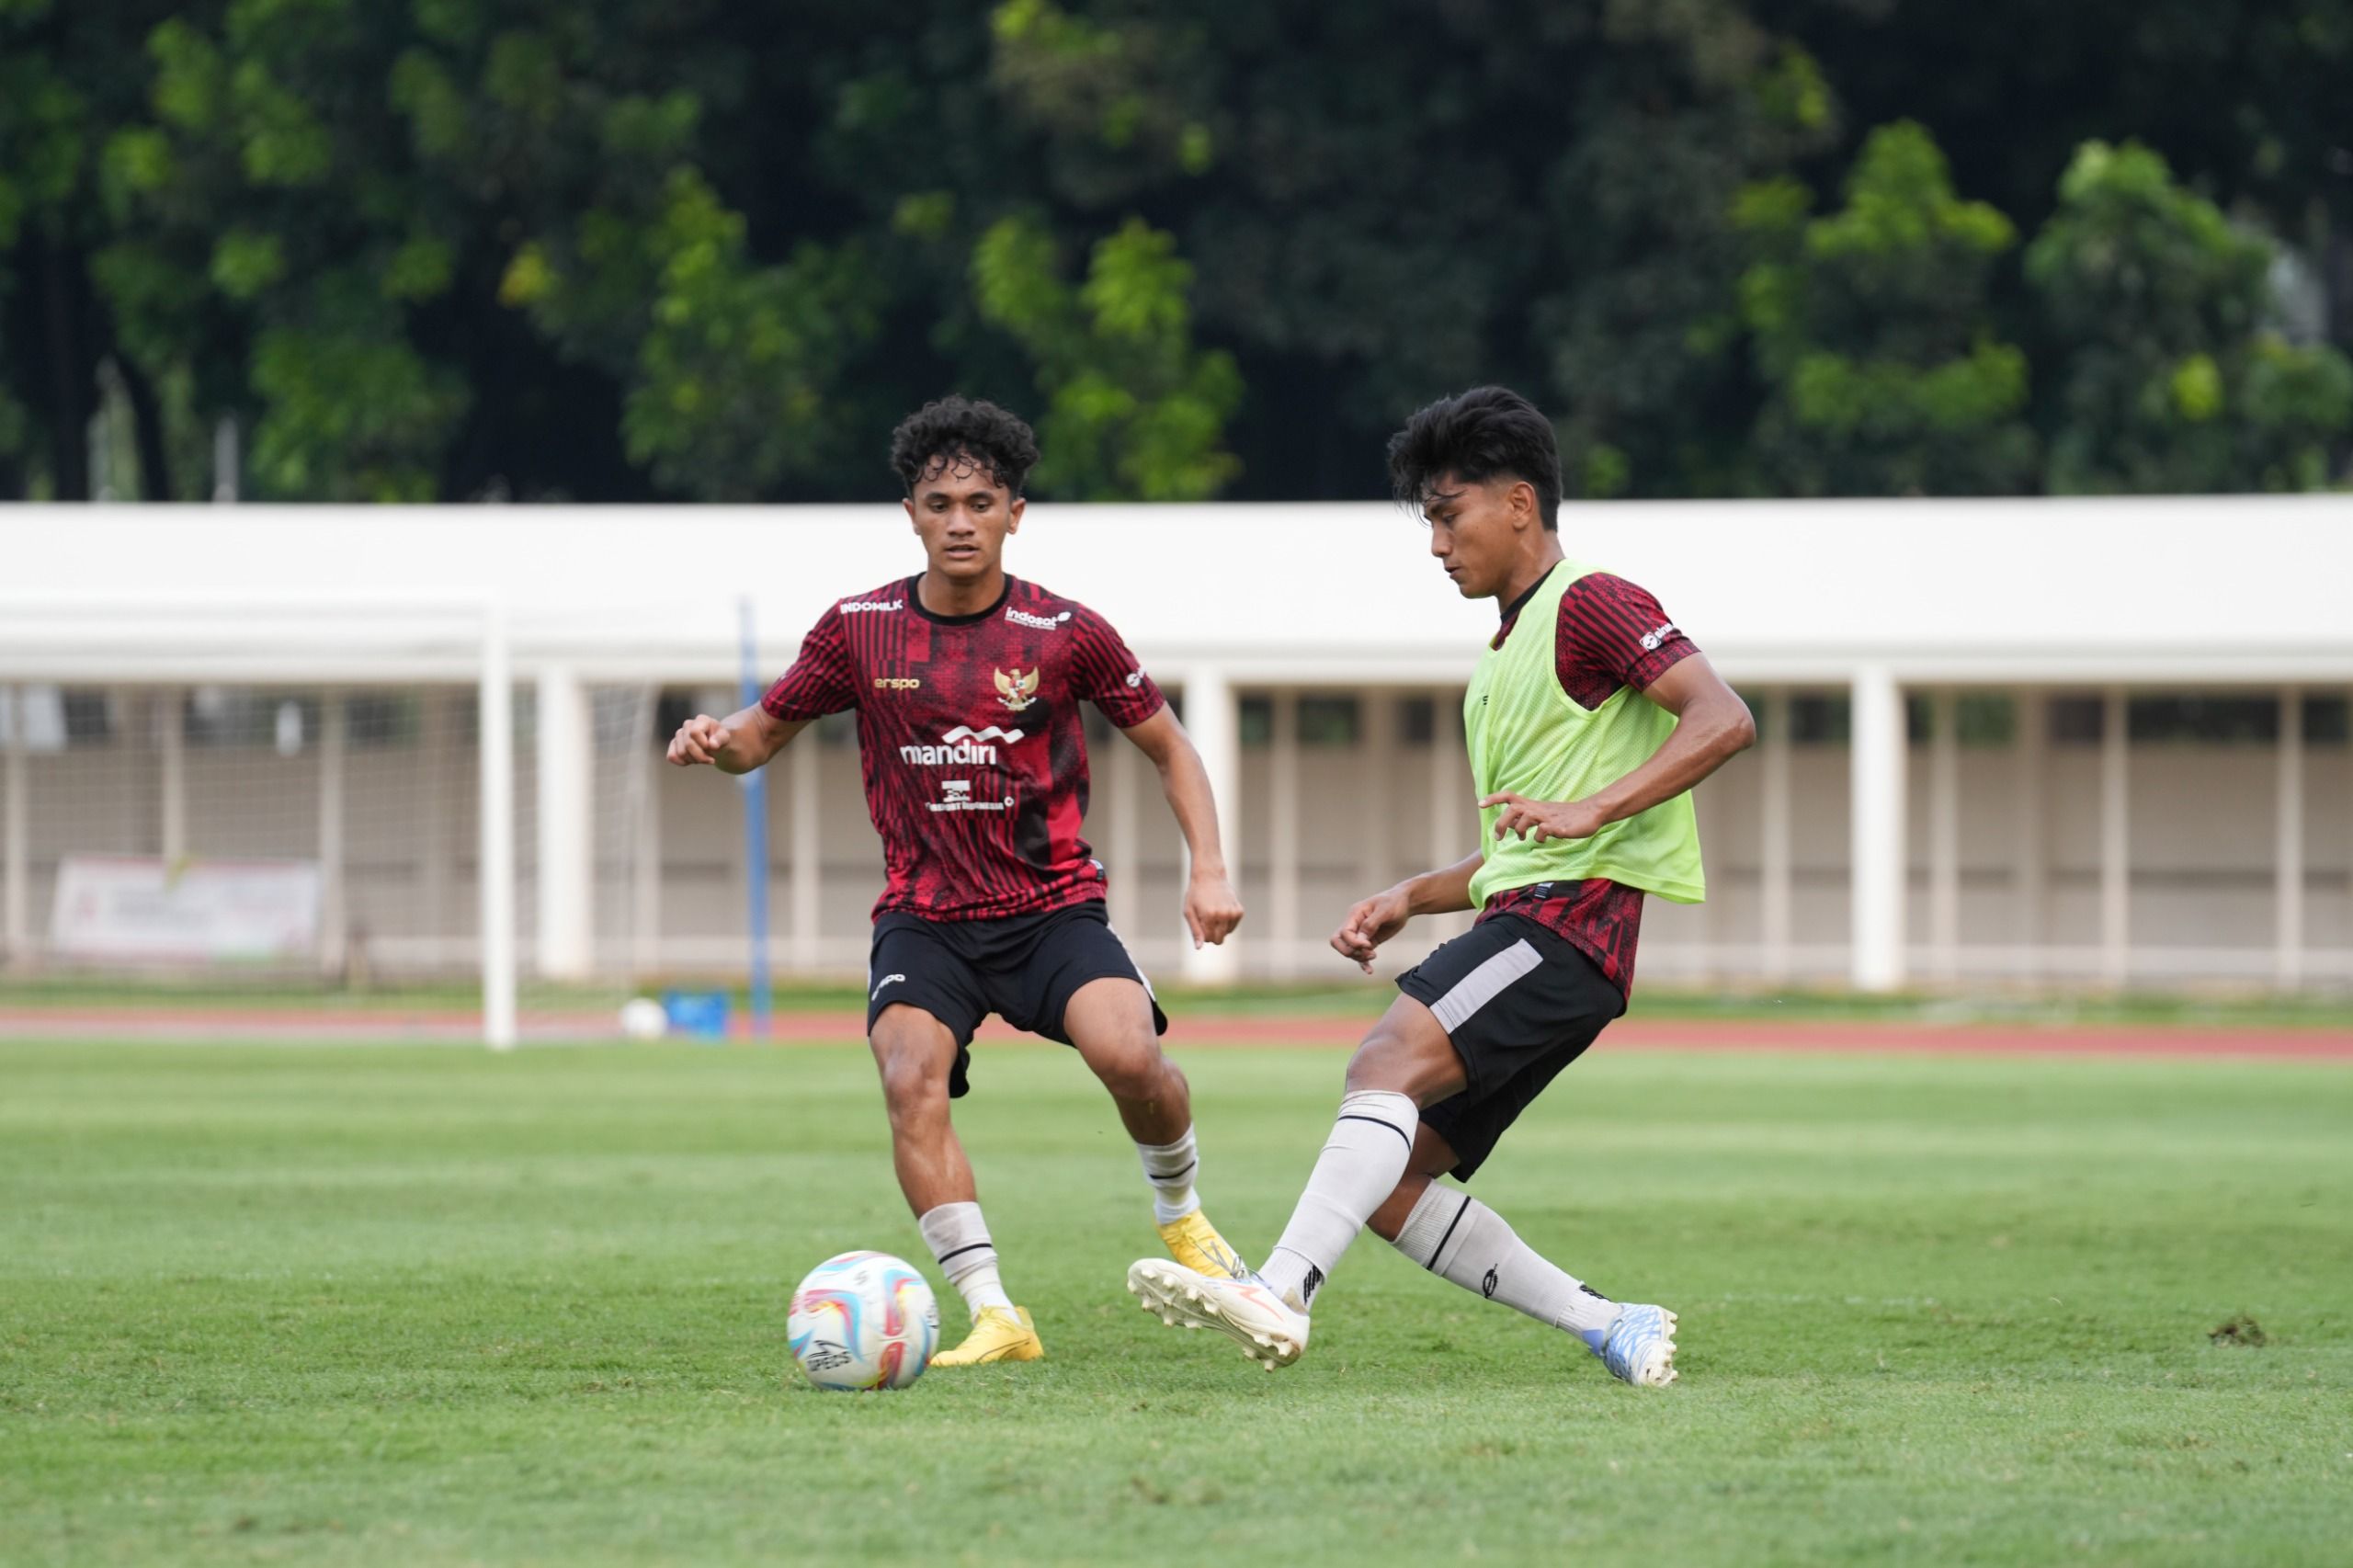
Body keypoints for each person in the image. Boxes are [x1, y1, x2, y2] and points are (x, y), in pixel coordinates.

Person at [1126, 385, 1755, 1386]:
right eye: (1428, 519)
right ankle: (1610, 1321)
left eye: (1447, 513)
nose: (1435, 543)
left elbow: (1722, 717)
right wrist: (1411, 896)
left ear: (1518, 502)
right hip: (1548, 927)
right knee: (1395, 1179)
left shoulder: (1591, 600)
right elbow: (1518, 841)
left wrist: (1594, 809)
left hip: (1566, 925)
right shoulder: (1504, 657)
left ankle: (1282, 1288)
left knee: (1384, 1056)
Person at [670, 395, 1248, 1367]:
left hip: (1052, 905)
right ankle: (994, 1310)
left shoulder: (1065, 631)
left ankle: (1181, 1211)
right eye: (938, 501)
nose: (959, 521)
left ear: (1015, 511)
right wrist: (717, 741)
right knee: (908, 1078)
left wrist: (1212, 868)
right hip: (924, 919)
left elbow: (1169, 745)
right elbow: (758, 736)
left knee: (1129, 1059)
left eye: (980, 501)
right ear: (910, 512)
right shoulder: (857, 630)